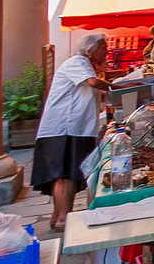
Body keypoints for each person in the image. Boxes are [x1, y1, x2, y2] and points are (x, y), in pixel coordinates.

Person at [32, 33, 108, 232]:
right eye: (103, 48)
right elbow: (92, 83)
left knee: (67, 174)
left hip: (72, 128)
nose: (106, 52)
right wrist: (120, 86)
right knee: (65, 174)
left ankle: (58, 216)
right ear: (90, 49)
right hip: (65, 128)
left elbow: (93, 94)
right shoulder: (78, 61)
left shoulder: (85, 65)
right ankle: (64, 219)